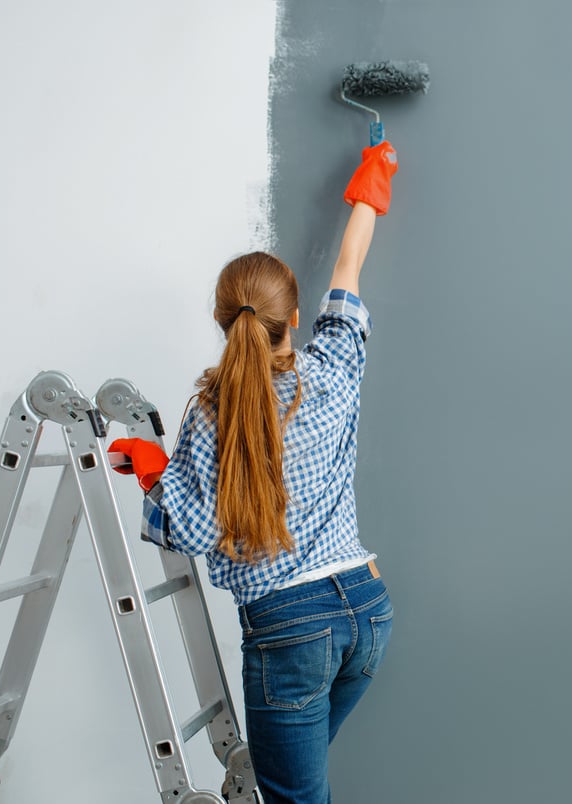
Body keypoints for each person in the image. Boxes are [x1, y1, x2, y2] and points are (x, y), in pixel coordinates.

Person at [109, 139, 400, 804]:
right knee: (290, 787)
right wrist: (372, 181)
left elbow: (190, 527)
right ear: (294, 319)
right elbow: (349, 266)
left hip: (293, 628)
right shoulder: (333, 368)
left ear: (224, 325)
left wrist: (152, 471)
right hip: (369, 612)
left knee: (293, 797)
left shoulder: (216, 412)